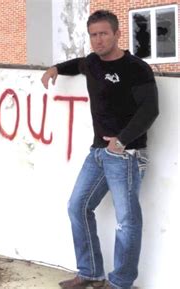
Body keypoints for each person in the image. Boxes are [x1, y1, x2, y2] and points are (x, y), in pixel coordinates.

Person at [41, 10, 159, 289]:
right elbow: (78, 64)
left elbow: (150, 110)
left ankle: (120, 283)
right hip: (97, 153)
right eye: (93, 35)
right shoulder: (92, 63)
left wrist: (121, 141)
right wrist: (55, 68)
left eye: (104, 33)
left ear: (118, 34)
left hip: (127, 155)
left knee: (127, 221)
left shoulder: (136, 68)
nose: (98, 40)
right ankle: (91, 271)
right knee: (77, 207)